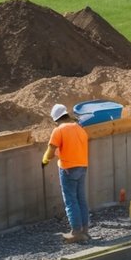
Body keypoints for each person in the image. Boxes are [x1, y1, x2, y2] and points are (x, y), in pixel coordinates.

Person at [42, 104, 90, 242]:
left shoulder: (59, 130)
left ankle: (76, 232)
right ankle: (85, 230)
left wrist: (45, 159)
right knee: (81, 199)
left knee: (71, 201)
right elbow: (73, 148)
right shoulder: (80, 129)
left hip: (68, 169)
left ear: (56, 119)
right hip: (82, 167)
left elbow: (51, 152)